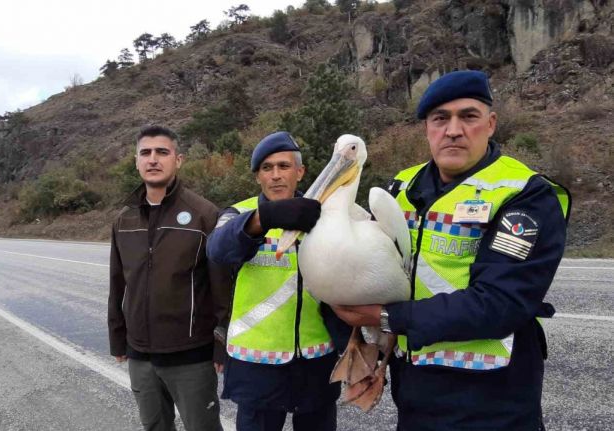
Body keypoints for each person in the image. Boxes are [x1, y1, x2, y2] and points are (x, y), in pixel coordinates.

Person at [332, 70, 571, 430]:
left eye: (469, 117)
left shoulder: (524, 194)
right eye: (440, 119)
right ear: (427, 128)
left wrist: (384, 317)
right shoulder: (402, 187)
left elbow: (501, 303)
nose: (454, 130)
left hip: (491, 397)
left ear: (491, 124)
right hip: (415, 392)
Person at [206, 131, 350, 431]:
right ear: (257, 176)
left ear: (300, 172)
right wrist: (264, 218)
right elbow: (218, 249)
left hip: (316, 359)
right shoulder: (239, 213)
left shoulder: (326, 217)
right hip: (257, 363)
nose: (275, 175)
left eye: (284, 166)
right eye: (266, 168)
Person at [108, 125, 231, 431]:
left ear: (178, 160)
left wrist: (221, 343)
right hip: (140, 356)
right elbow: (117, 283)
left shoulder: (204, 214)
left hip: (191, 356)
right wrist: (117, 338)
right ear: (136, 161)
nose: (153, 159)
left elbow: (222, 288)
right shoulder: (124, 220)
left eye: (162, 152)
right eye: (145, 153)